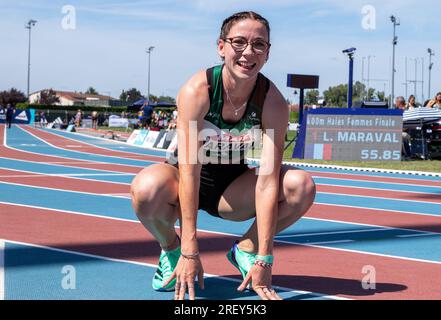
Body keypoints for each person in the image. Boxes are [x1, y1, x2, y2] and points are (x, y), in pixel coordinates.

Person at [130, 11, 316, 300]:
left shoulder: (273, 102)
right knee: (145, 188)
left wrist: (264, 258)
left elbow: (267, 181)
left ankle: (246, 249)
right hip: (182, 181)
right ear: (221, 47)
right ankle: (170, 249)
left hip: (231, 190)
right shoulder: (198, 91)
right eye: (239, 42)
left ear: (267, 52)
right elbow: (189, 170)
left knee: (300, 185)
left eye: (259, 44)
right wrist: (190, 250)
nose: (248, 52)